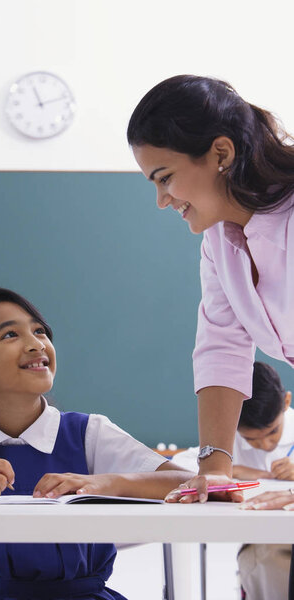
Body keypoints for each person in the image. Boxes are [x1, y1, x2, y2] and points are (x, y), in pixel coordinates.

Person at [0, 287, 192, 600]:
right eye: (10, 334)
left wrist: (103, 482)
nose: (37, 343)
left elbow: (186, 482)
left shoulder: (88, 433)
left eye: (40, 331)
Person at [126, 74, 294, 507]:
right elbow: (222, 347)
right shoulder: (219, 243)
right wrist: (215, 470)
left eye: (164, 178)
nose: (162, 199)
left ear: (221, 152)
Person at [172, 361, 293, 600]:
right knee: (266, 561)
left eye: (272, 433)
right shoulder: (228, 442)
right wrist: (233, 469)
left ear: (286, 403)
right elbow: (177, 464)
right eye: (252, 440)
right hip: (264, 543)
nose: (266, 446)